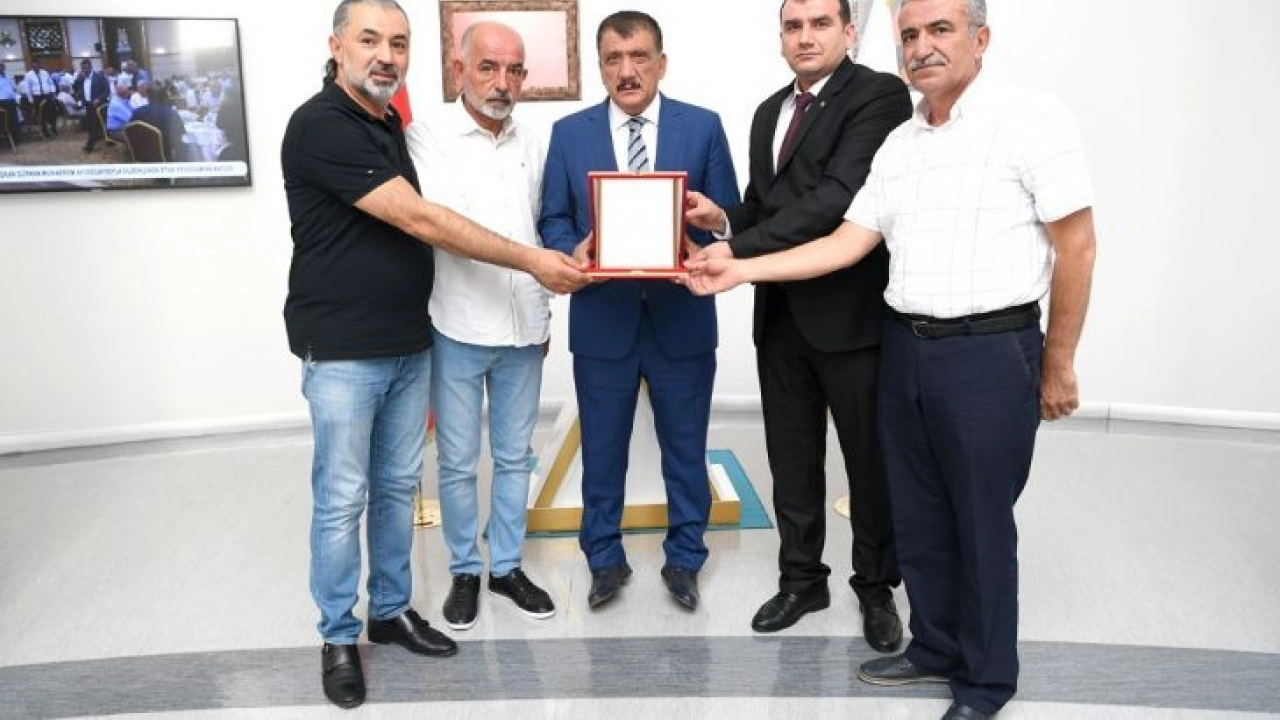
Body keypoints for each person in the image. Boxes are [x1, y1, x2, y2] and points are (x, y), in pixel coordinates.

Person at [685, 0, 1097, 716]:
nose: (922, 46)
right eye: (910, 33)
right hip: (907, 344)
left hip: (988, 350)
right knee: (921, 512)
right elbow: (846, 242)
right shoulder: (903, 143)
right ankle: (933, 646)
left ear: (981, 38)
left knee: (979, 522)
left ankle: (985, 682)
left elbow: (1078, 244)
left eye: (940, 30)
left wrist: (1058, 362)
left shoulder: (1032, 118)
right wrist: (738, 268)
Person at [281, 0, 588, 709]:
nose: (386, 55)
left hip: (408, 340)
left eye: (398, 42)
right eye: (370, 40)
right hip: (346, 348)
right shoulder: (324, 124)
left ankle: (390, 611)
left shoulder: (389, 125)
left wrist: (551, 274)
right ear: (336, 45)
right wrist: (534, 262)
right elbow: (422, 219)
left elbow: (543, 215)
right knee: (342, 498)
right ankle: (338, 634)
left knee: (397, 488)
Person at [683, 0, 911, 650]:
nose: (805, 36)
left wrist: (737, 253)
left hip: (852, 317)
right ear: (780, 37)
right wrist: (722, 220)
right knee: (791, 460)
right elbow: (767, 206)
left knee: (868, 464)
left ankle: (876, 586)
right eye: (793, 25)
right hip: (780, 316)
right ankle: (802, 579)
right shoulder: (767, 112)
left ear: (849, 31)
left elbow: (836, 199)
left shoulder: (880, 96)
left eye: (819, 23)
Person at [539, 10, 739, 612]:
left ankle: (685, 558)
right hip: (603, 322)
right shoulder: (568, 134)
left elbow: (731, 214)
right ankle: (603, 559)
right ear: (600, 67)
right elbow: (553, 218)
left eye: (639, 57)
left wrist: (715, 225)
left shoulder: (702, 127)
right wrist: (571, 249)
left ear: (661, 63)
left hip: (683, 320)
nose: (627, 71)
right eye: (614, 59)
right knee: (602, 452)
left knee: (686, 450)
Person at [405, 21, 556, 632]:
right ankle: (466, 569)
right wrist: (533, 263)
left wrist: (546, 302)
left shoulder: (535, 140)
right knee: (460, 461)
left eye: (514, 70)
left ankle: (507, 567)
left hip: (525, 325)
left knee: (516, 457)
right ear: (460, 69)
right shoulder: (428, 135)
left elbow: (545, 224)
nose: (502, 82)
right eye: (489, 67)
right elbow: (445, 226)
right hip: (459, 324)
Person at [128, 84, 185, 161]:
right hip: (165, 155)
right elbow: (180, 136)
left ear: (148, 97)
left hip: (141, 155)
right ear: (165, 97)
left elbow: (130, 132)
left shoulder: (137, 113)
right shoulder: (172, 113)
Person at [73, 59, 111, 153]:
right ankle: (105, 140)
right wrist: (80, 101)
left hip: (99, 105)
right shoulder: (81, 79)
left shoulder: (100, 77)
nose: (84, 70)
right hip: (88, 105)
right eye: (83, 68)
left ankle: (90, 146)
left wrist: (99, 99)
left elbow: (106, 91)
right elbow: (79, 91)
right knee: (93, 125)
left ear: (90, 67)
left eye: (86, 68)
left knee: (96, 125)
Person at [20, 59, 58, 138]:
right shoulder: (28, 75)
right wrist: (31, 99)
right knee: (41, 115)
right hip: (37, 97)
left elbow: (50, 83)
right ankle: (45, 131)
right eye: (34, 65)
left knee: (52, 112)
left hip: (47, 95)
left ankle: (53, 128)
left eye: (37, 65)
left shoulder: (44, 72)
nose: (36, 67)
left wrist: (53, 91)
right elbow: (27, 88)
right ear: (32, 66)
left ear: (40, 65)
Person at [0, 63, 19, 146]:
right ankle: (6, 138)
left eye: (2, 66)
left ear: (4, 67)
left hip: (11, 100)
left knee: (14, 120)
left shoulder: (9, 76)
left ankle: (15, 138)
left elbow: (14, 87)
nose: (1, 68)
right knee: (5, 120)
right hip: (1, 101)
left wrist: (15, 96)